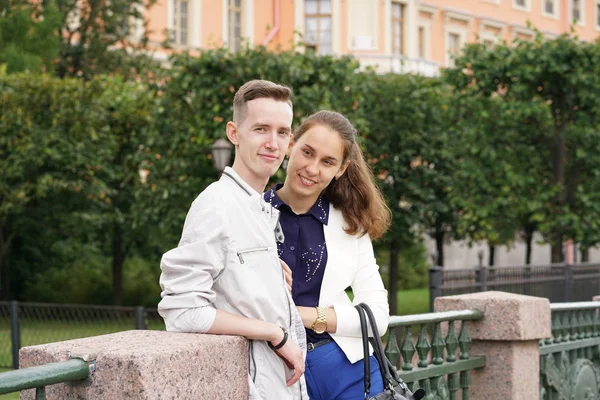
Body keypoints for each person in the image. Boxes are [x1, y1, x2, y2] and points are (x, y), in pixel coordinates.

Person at [158, 80, 309, 400]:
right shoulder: (216, 205)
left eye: (283, 132)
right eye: (261, 129)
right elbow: (183, 311)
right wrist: (275, 334)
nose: (273, 142)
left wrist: (267, 273)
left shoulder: (257, 206)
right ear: (233, 133)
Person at [264, 110, 392, 399]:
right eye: (307, 152)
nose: (312, 168)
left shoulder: (350, 225)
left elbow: (378, 316)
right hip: (273, 372)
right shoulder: (249, 213)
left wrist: (303, 316)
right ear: (291, 145)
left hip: (350, 371)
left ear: (341, 169)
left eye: (327, 162)